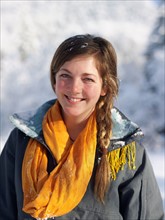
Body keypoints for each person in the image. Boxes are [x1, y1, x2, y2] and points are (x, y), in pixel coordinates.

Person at [0, 34, 164, 220]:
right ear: (54, 80)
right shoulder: (21, 142)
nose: (74, 88)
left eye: (87, 79)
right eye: (65, 76)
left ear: (105, 87)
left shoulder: (126, 154)